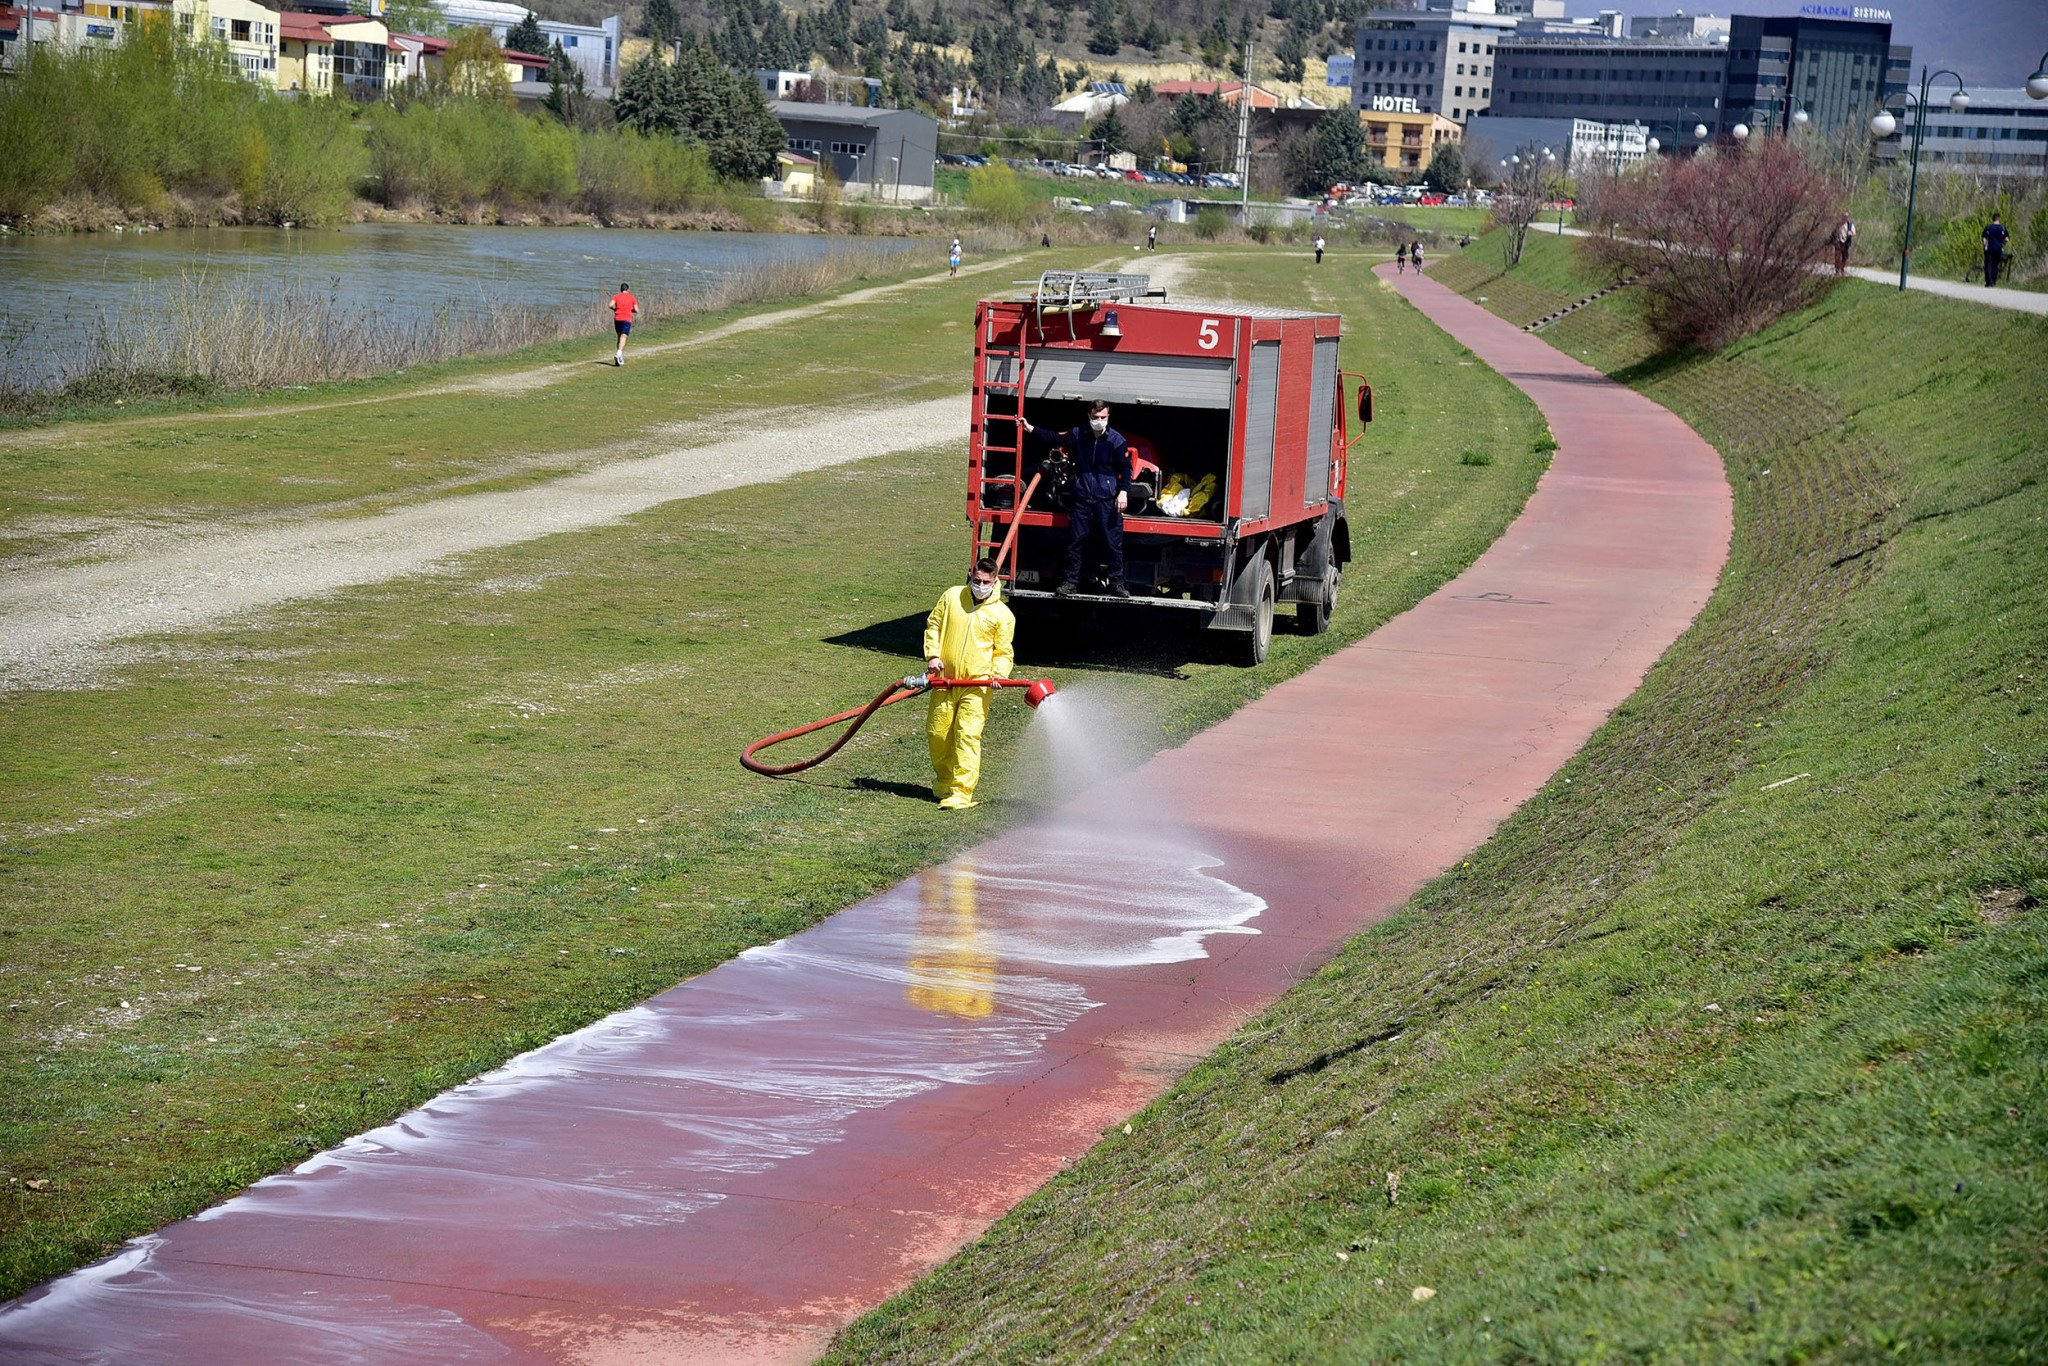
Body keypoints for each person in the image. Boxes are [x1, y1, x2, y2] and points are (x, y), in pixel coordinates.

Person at [923, 557, 1015, 811]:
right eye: (977, 580)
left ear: (995, 581)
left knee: (967, 735)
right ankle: (944, 783)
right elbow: (934, 625)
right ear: (970, 575)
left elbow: (1003, 651)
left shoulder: (1002, 615)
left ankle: (962, 792)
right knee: (938, 734)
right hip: (944, 680)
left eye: (986, 582)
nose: (981, 586)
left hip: (977, 685)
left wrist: (998, 675)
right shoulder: (952, 597)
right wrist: (933, 655)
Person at [1022, 400, 1130, 599]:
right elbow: (1053, 437)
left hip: (1107, 499)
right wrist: (1030, 429)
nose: (1099, 421)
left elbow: (1126, 468)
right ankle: (1070, 582)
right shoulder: (1077, 435)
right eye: (1095, 417)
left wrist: (1123, 492)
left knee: (1112, 542)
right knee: (1075, 541)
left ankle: (1117, 583)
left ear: (1108, 416)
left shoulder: (1116, 440)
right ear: (1089, 415)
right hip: (1082, 498)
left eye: (1102, 418)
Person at [607, 281, 639, 366]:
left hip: (617, 318)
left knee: (619, 337)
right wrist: (630, 310)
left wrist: (615, 309)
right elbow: (637, 310)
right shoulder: (632, 298)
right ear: (628, 289)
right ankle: (618, 353)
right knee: (624, 336)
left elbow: (610, 305)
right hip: (626, 319)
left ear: (621, 289)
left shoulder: (616, 296)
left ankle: (619, 358)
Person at [1982, 213, 2008, 288]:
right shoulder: (2002, 227)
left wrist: (1985, 245)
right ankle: (1993, 281)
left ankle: (1988, 282)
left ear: (1992, 219)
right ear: (1998, 219)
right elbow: (2006, 239)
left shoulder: (1988, 227)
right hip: (1998, 249)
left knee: (1988, 265)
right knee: (1995, 265)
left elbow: (1984, 237)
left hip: (1989, 248)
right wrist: (2002, 245)